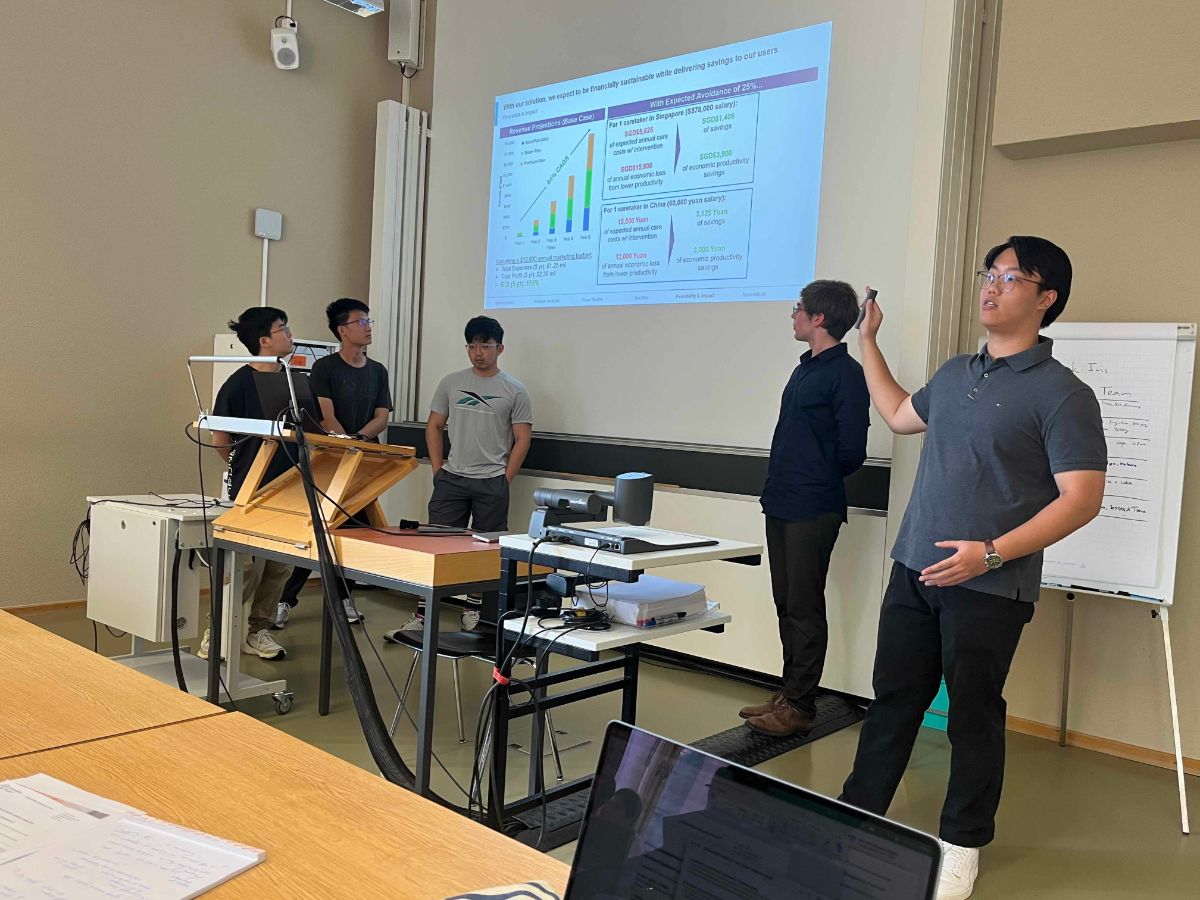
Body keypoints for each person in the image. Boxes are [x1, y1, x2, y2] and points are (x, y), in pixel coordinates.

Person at [839, 236, 1107, 900]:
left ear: (1046, 299)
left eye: (1011, 277)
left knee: (972, 716)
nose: (992, 285)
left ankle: (961, 843)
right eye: (990, 273)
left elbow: (1082, 498)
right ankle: (853, 817)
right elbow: (899, 414)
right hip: (914, 569)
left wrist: (989, 553)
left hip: (989, 584)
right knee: (893, 701)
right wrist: (868, 340)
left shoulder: (1064, 394)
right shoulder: (959, 371)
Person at [740, 281, 869, 737]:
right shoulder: (804, 369)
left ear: (819, 318)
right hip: (781, 499)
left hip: (812, 505)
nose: (793, 314)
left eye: (799, 308)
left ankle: (800, 706)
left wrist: (814, 473)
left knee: (804, 605)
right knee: (786, 602)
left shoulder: (845, 374)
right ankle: (787, 693)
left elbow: (852, 450)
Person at [399, 316, 532, 632]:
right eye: (472, 346)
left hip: (492, 481)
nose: (478, 353)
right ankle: (423, 614)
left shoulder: (515, 390)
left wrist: (505, 479)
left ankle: (473, 610)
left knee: (485, 552)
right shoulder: (451, 382)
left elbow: (522, 438)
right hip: (452, 479)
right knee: (436, 547)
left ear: (499, 348)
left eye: (485, 346)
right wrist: (437, 469)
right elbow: (434, 426)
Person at [200, 307, 295, 661]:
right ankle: (218, 629)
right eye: (283, 329)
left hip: (290, 487)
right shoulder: (238, 383)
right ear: (264, 341)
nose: (290, 334)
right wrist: (244, 468)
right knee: (247, 565)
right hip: (250, 487)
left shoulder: (292, 380)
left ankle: (258, 630)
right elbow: (220, 439)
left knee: (279, 566)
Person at [309, 298, 394, 624]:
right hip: (332, 460)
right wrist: (347, 444)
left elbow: (382, 417)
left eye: (369, 321)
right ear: (342, 330)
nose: (368, 327)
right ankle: (287, 599)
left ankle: (345, 598)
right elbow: (326, 416)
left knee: (356, 530)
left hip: (365, 462)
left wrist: (359, 441)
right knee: (323, 529)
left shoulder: (378, 371)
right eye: (361, 322)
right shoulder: (325, 368)